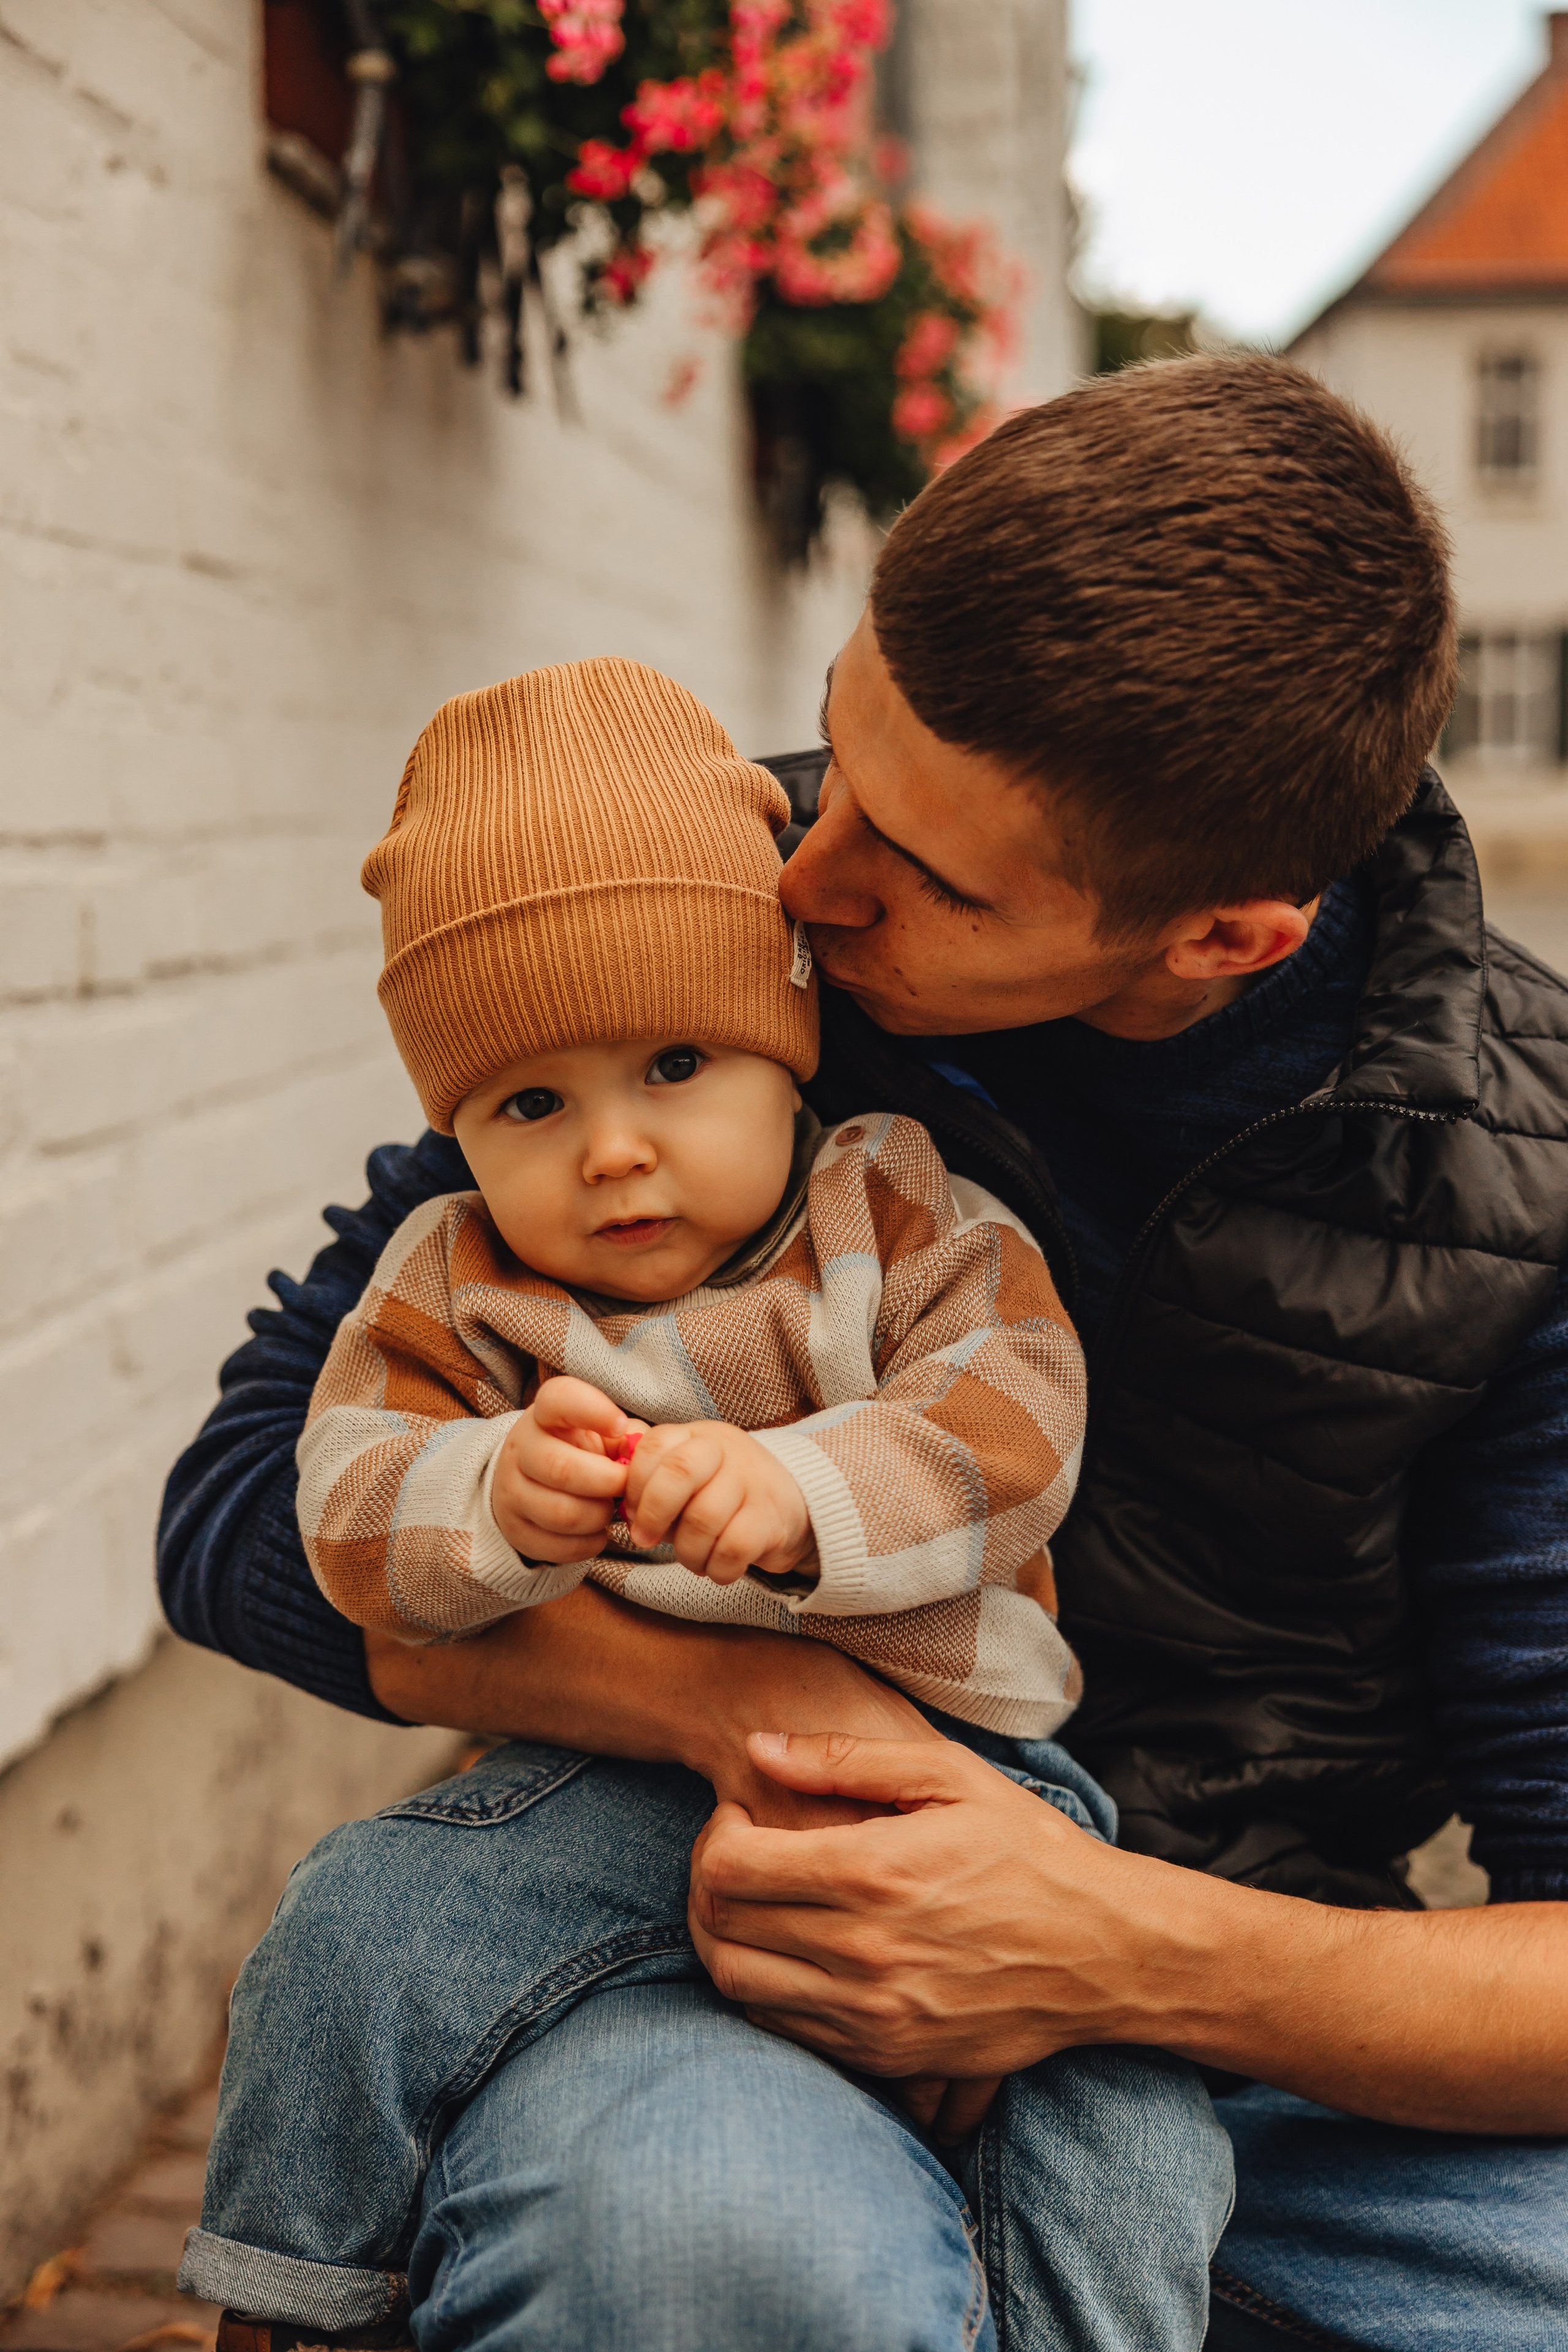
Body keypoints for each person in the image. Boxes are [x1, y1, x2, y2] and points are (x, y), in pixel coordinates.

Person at [161, 357, 1568, 2352]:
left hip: (1246, 2000)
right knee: (718, 2250)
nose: (809, 883)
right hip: (704, 1939)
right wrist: (775, 1728)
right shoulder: (701, 912)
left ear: (1223, 942)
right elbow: (240, 1511)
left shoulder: (1525, 1180)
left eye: (928, 879)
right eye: (839, 745)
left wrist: (1101, 1948)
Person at [178, 655, 1229, 2352]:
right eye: (531, 1103)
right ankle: (292, 2301)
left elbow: (1014, 1416)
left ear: (785, 1042)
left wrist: (804, 1487)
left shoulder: (887, 1208)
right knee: (356, 1928)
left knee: (1135, 2122)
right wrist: (491, 1498)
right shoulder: (456, 1280)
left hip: (973, 1785)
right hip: (614, 1797)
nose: (610, 1151)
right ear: (456, 1128)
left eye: (676, 1062)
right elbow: (339, 1498)